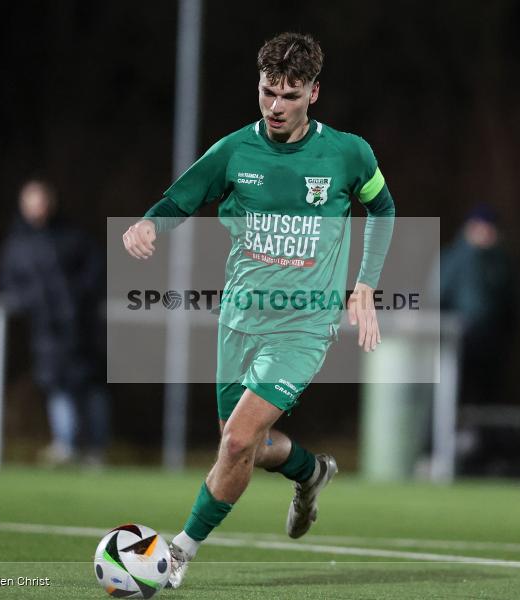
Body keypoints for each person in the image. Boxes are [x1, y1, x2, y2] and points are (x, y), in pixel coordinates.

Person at [122, 32, 395, 589]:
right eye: (268, 91)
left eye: (289, 95)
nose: (275, 106)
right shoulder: (233, 151)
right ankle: (311, 471)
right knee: (243, 447)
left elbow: (384, 208)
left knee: (238, 442)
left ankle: (177, 554)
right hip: (240, 320)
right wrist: (149, 222)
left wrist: (365, 285)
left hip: (304, 325)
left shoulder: (348, 153)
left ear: (313, 94)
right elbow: (181, 199)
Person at [0, 179, 109, 466]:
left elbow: (96, 272)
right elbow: (10, 284)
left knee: (90, 386)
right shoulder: (16, 245)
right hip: (46, 332)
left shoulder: (73, 237)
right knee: (57, 385)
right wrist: (33, 302)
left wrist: (77, 301)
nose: (37, 208)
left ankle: (96, 449)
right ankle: (66, 445)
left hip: (84, 328)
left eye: (41, 200)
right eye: (31, 202)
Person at [439, 204, 518, 473]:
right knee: (453, 400)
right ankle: (444, 456)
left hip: (492, 346)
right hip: (459, 345)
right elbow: (438, 297)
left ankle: (485, 458)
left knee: (489, 404)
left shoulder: (501, 261)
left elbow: (510, 304)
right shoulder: (454, 258)